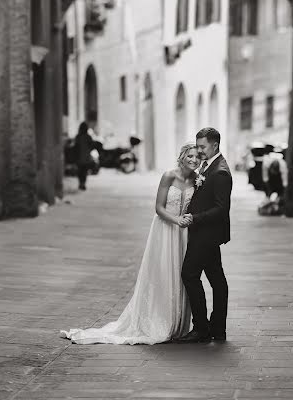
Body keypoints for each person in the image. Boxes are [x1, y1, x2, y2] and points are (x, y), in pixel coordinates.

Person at [60, 143, 200, 345]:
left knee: (180, 275)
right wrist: (176, 220)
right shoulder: (169, 175)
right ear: (183, 156)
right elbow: (159, 208)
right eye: (190, 156)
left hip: (183, 234)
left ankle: (176, 324)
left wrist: (188, 219)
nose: (193, 160)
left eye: (197, 157)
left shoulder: (197, 179)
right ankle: (159, 321)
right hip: (165, 229)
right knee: (163, 273)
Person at [177, 127, 232, 344]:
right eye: (197, 146)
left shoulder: (220, 171)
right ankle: (217, 328)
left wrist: (195, 217)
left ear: (215, 145)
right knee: (217, 280)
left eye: (202, 146)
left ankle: (201, 328)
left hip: (206, 234)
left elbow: (221, 208)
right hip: (205, 232)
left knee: (189, 274)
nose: (199, 151)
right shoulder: (209, 165)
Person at [73, 121, 94, 191]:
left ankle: (81, 183)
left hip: (79, 156)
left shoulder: (78, 137)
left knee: (80, 171)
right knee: (84, 171)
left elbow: (75, 147)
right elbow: (91, 146)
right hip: (86, 157)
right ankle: (83, 183)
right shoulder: (88, 137)